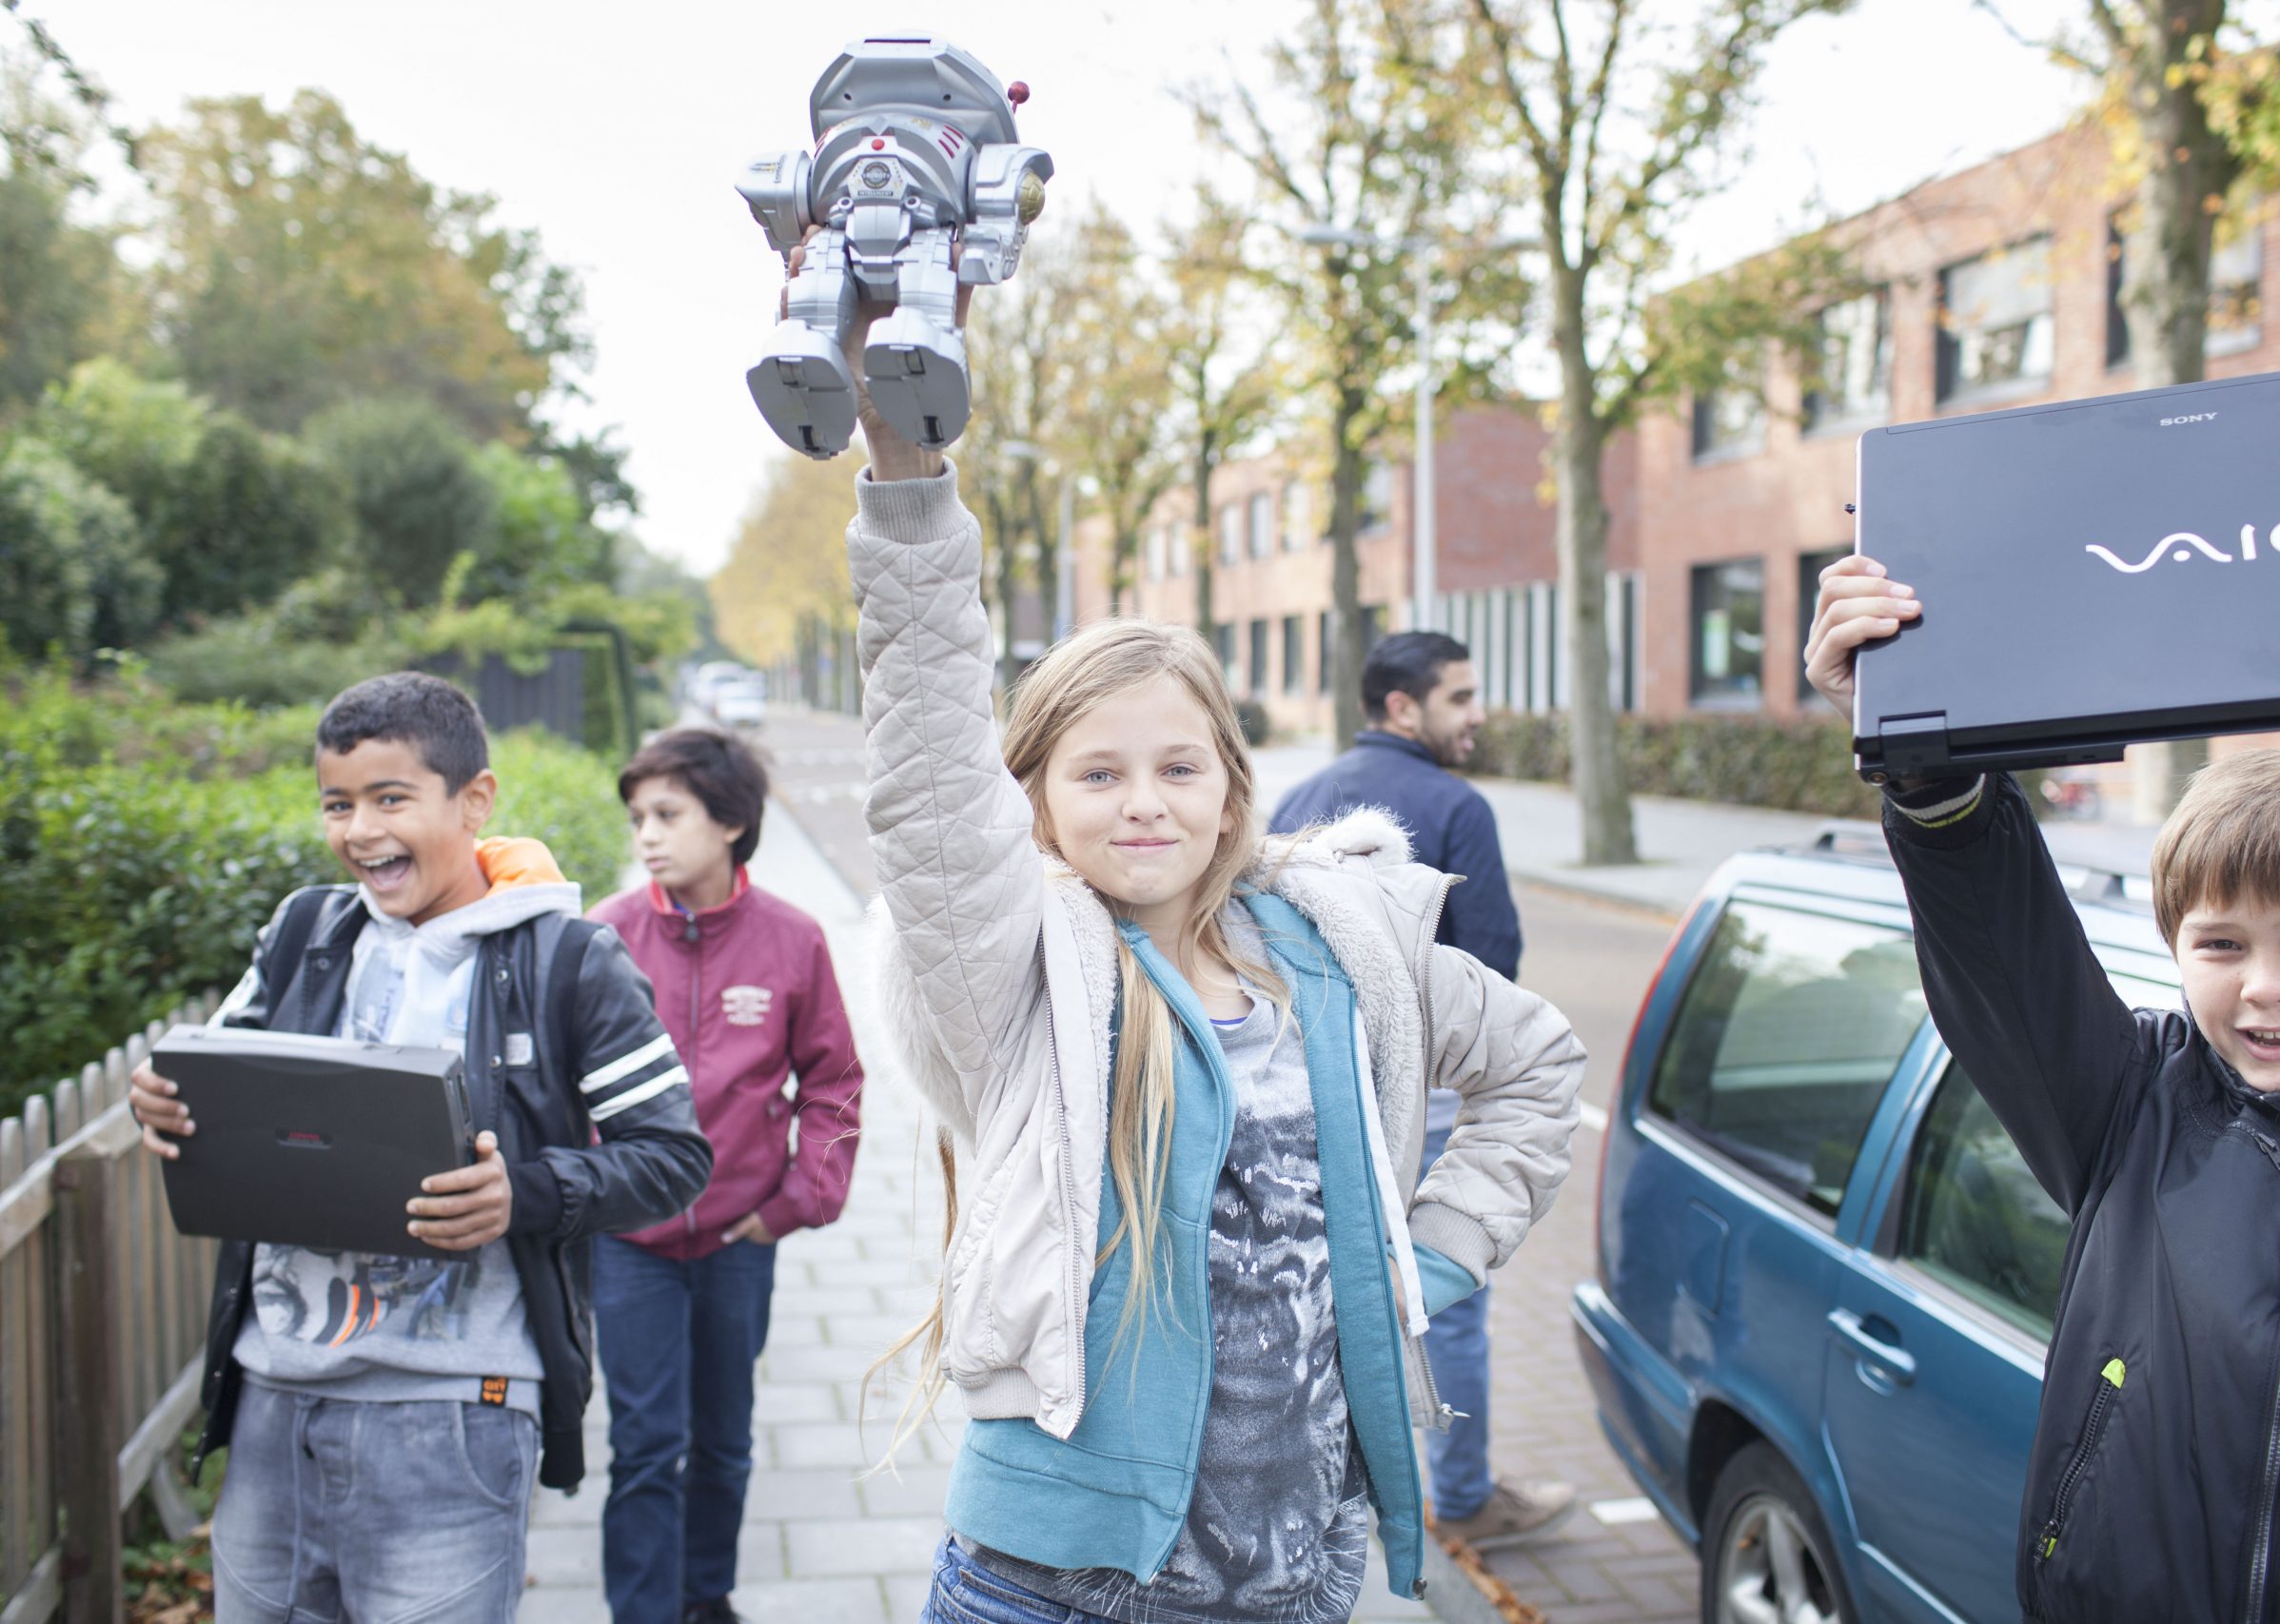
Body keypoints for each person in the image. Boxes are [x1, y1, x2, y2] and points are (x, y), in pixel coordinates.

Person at [830, 294, 1584, 1623]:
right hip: (1051, 1585)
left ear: (1235, 789)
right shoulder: (1018, 972)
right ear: (1037, 799)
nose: (1144, 801)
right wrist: (907, 482)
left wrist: (1431, 1255)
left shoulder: (1339, 941)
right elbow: (929, 770)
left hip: (1295, 1581)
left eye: (1179, 765)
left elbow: (1535, 1065)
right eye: (1099, 770)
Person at [1805, 555, 2280, 1624]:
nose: (2264, 987)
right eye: (2221, 943)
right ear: (2171, 947)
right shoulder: (2128, 1098)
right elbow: (2000, 944)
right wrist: (1918, 747)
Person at [129, 673, 713, 1624]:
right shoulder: (302, 934)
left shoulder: (568, 961)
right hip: (274, 1403)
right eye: (338, 803)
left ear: (473, 800)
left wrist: (522, 1194)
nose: (360, 830)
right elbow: (210, 1077)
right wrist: (158, 1101)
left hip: (453, 1413)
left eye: (390, 798)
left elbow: (672, 1157)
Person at [1271, 633, 1571, 1550]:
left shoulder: (1295, 797)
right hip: (1429, 1092)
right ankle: (1466, 1496)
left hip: (1312, 1092)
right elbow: (1494, 969)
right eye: (1461, 697)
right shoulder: (1457, 806)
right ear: (1404, 707)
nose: (1476, 714)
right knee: (1449, 1296)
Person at [589, 727, 865, 1624]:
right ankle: (642, 1612)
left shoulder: (792, 938)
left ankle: (704, 1594)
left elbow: (833, 1080)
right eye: (638, 817)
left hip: (740, 1236)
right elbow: (558, 1086)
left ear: (732, 821)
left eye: (668, 814)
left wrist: (794, 1201)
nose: (648, 836)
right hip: (630, 1241)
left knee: (724, 1441)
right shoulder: (603, 938)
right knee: (643, 1444)